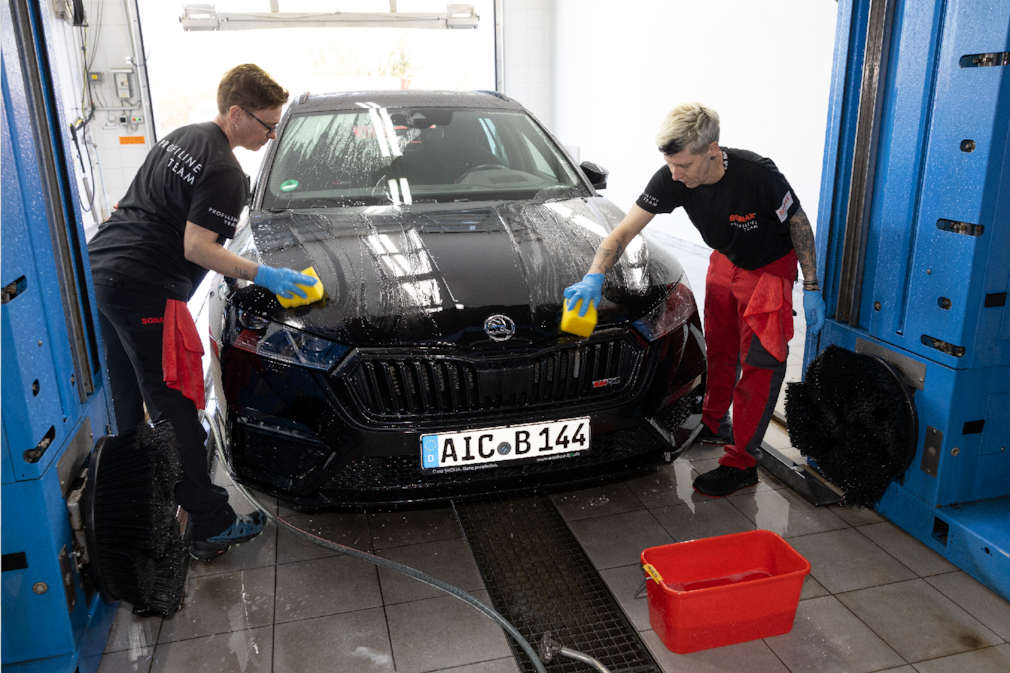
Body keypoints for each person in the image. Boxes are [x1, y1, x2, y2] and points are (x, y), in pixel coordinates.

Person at [88, 64, 317, 559]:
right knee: (175, 405)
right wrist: (265, 274)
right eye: (267, 123)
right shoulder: (224, 170)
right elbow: (198, 247)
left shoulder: (183, 136)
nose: (271, 134)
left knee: (126, 403)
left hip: (103, 271)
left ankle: (135, 507)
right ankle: (209, 523)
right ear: (236, 114)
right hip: (144, 287)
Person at [564, 103, 825, 497]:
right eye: (670, 165)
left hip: (770, 270)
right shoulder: (672, 177)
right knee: (719, 352)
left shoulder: (758, 175)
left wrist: (811, 287)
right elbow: (621, 233)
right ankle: (715, 422)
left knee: (760, 365)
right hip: (724, 261)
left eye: (683, 165)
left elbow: (799, 224)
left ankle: (742, 463)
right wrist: (593, 275)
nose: (675, 175)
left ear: (712, 150)